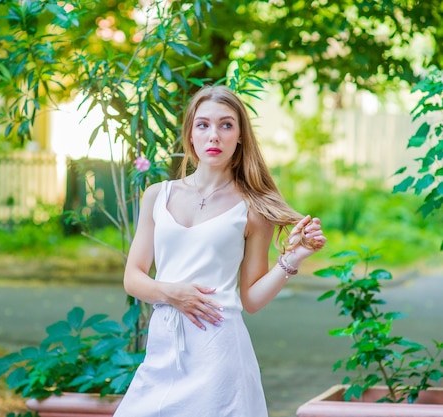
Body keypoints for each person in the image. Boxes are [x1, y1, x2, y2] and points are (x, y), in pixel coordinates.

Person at [113, 85, 327, 417]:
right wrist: (172, 293)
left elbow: (251, 300)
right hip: (163, 350)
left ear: (240, 135)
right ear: (190, 133)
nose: (214, 135)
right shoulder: (158, 195)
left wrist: (293, 258)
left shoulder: (253, 208)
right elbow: (133, 278)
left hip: (218, 354)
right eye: (203, 125)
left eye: (226, 125)